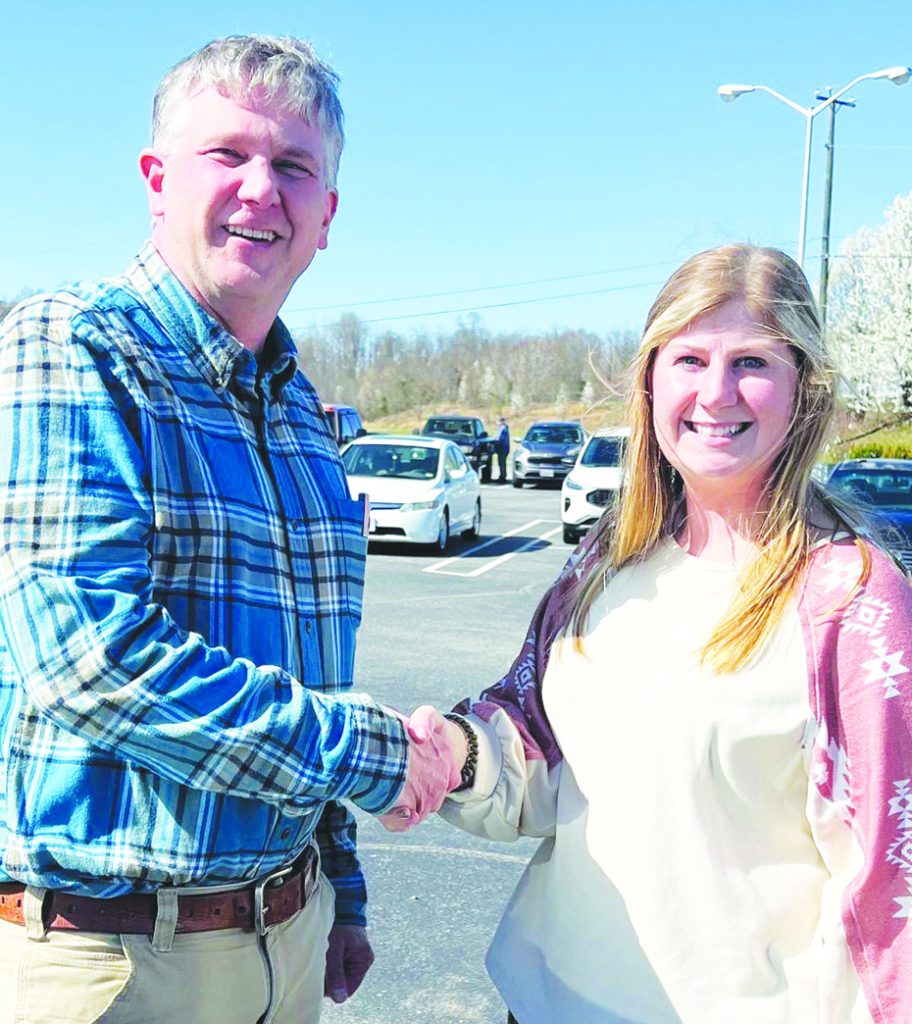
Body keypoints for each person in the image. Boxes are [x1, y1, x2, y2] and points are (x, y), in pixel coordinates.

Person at [0, 35, 459, 1024]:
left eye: (294, 167)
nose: (262, 188)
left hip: (287, 941)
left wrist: (338, 885)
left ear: (326, 216)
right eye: (229, 155)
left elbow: (311, 671)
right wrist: (375, 757)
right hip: (115, 956)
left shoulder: (305, 421)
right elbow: (89, 660)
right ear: (157, 180)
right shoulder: (75, 344)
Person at [389, 244, 912, 1022]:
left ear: (804, 385)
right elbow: (533, 742)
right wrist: (452, 756)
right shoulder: (610, 557)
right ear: (650, 381)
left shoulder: (852, 597)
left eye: (753, 362)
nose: (715, 392)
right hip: (542, 1004)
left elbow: (888, 888)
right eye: (690, 359)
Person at [494, 415, 510, 483]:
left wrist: (494, 442)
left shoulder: (503, 429)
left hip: (503, 448)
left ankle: (503, 477)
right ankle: (502, 475)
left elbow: (501, 439)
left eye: (498, 421)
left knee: (502, 463)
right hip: (501, 448)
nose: (497, 422)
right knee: (501, 463)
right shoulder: (500, 428)